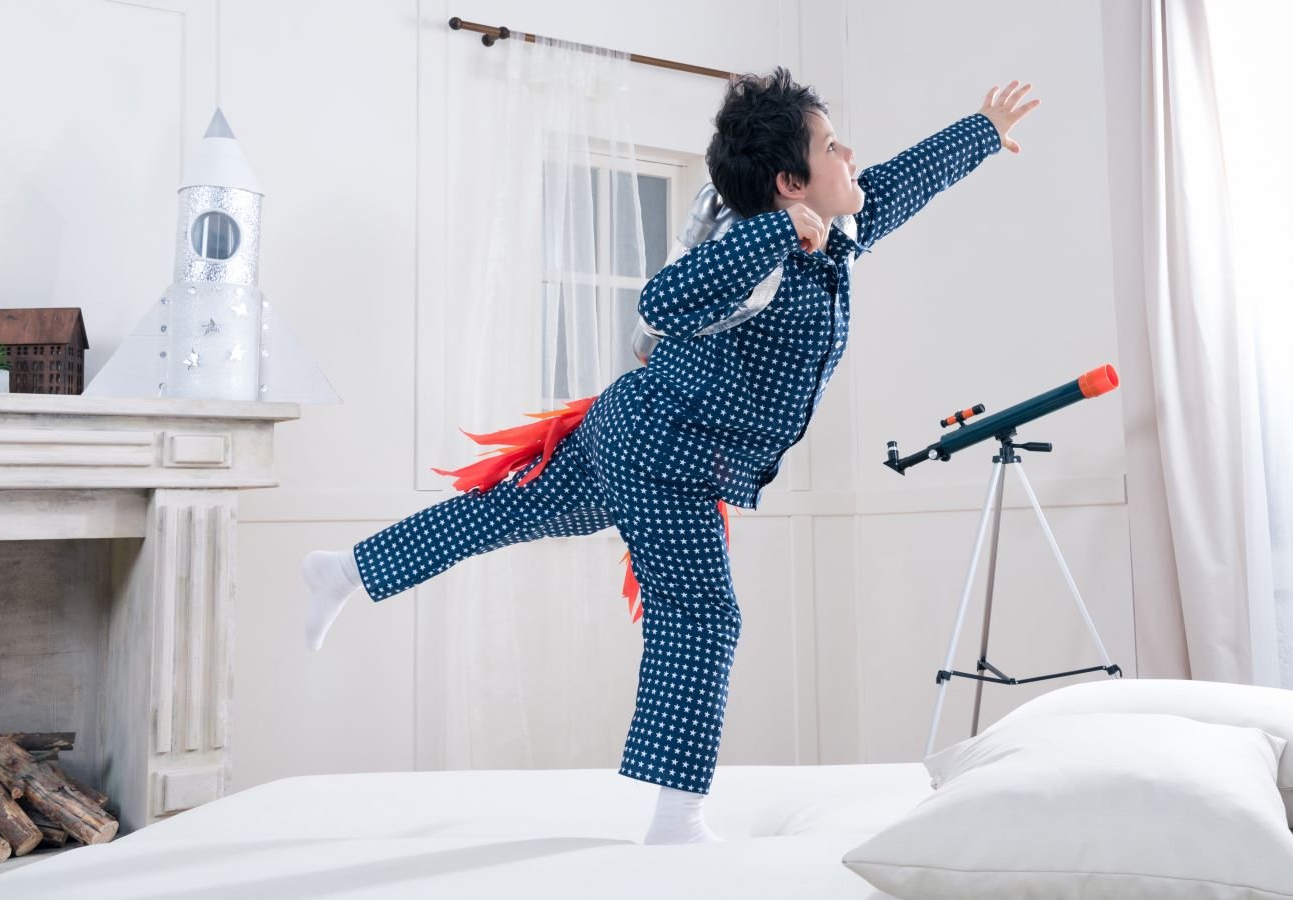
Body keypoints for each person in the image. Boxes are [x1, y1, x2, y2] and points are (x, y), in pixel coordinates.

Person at [301, 67, 1039, 845]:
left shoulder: (838, 231)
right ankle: (675, 818)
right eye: (831, 145)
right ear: (790, 183)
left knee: (500, 516)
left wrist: (982, 132)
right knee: (702, 617)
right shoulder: (757, 254)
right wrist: (778, 232)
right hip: (665, 453)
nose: (851, 153)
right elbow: (663, 300)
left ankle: (343, 568)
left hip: (636, 429)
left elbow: (898, 183)